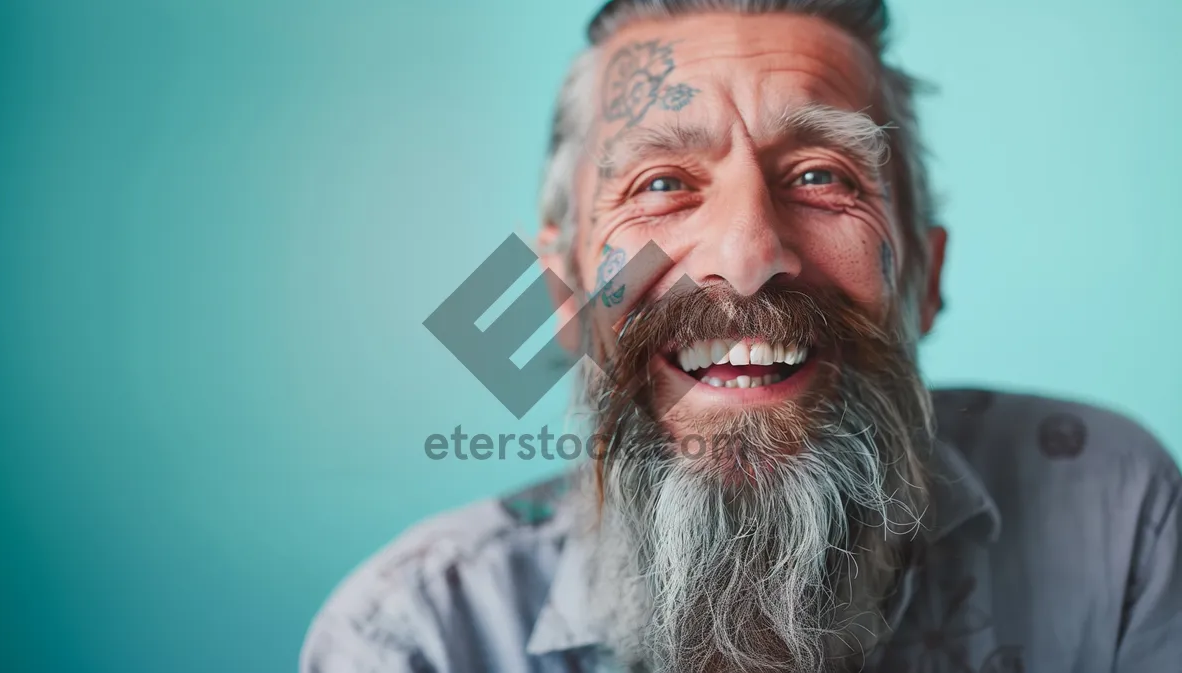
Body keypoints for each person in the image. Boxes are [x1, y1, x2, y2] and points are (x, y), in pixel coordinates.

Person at [301, 1, 1181, 671]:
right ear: (562, 294)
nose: (749, 253)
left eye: (819, 174)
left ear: (927, 277)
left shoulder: (1110, 520)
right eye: (660, 184)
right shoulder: (417, 635)